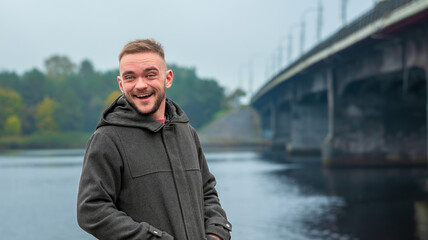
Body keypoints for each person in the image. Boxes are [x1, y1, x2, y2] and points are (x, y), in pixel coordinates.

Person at [77, 39, 232, 240]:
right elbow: (91, 210)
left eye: (150, 75)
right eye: (130, 77)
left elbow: (207, 192)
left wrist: (216, 233)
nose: (140, 85)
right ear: (121, 84)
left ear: (167, 78)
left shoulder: (187, 133)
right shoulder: (107, 139)